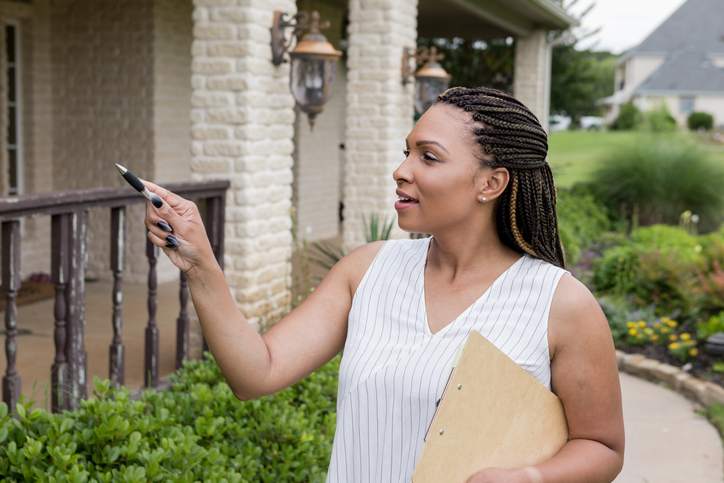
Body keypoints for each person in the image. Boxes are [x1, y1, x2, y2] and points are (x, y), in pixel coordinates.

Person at [143, 86, 624, 483]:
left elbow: (602, 447)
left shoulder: (558, 304)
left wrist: (529, 479)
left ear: (491, 183)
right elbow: (256, 373)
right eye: (406, 152)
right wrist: (200, 264)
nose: (402, 170)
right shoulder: (367, 271)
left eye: (429, 157)